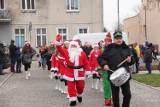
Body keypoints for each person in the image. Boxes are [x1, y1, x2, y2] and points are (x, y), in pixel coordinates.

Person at [97, 31, 135, 107]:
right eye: (117, 38)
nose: (119, 40)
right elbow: (100, 58)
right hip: (113, 75)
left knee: (127, 95)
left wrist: (130, 60)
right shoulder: (109, 48)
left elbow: (132, 60)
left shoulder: (126, 48)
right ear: (114, 39)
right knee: (115, 97)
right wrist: (104, 65)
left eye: (120, 38)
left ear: (122, 38)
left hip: (124, 75)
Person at [55, 34, 91, 106]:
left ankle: (79, 94)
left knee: (80, 87)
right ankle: (73, 100)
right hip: (70, 72)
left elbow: (86, 62)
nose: (73, 47)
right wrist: (58, 41)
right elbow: (59, 49)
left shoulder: (81, 53)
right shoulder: (66, 52)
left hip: (79, 72)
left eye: (75, 46)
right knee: (71, 87)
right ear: (70, 46)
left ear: (77, 46)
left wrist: (87, 70)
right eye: (72, 46)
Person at [100, 35, 113, 106]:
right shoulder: (102, 50)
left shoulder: (114, 49)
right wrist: (100, 67)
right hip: (105, 70)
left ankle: (115, 98)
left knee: (114, 85)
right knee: (106, 85)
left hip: (113, 69)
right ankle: (107, 99)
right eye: (106, 41)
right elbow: (99, 59)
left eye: (108, 41)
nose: (107, 43)